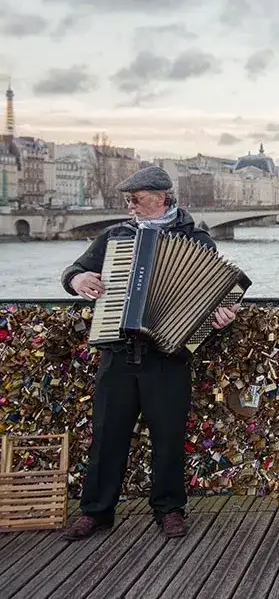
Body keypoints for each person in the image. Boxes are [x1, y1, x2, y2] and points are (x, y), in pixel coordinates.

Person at [60, 166, 239, 541]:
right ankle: (96, 512)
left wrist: (221, 314)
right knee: (107, 436)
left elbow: (217, 294)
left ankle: (170, 510)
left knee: (169, 437)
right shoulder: (115, 237)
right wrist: (78, 281)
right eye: (128, 199)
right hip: (118, 352)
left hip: (167, 355)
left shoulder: (198, 239)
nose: (130, 206)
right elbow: (74, 270)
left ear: (160, 198)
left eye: (136, 199)